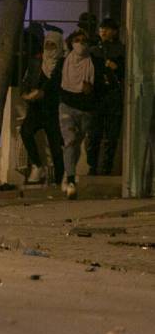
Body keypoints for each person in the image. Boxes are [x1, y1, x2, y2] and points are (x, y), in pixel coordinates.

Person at [20, 31, 65, 185]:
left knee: (55, 144)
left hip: (53, 109)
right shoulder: (36, 62)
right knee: (25, 131)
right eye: (48, 45)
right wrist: (26, 93)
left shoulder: (62, 63)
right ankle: (37, 165)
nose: (50, 48)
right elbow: (26, 80)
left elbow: (56, 83)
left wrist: (42, 92)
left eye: (53, 45)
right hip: (37, 108)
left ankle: (60, 178)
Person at [58, 29, 97, 200]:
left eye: (84, 40)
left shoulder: (93, 62)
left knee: (77, 144)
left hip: (85, 109)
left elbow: (101, 87)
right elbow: (54, 83)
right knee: (70, 141)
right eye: (77, 40)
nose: (80, 44)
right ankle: (71, 181)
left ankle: (68, 172)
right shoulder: (64, 63)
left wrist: (91, 91)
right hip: (67, 106)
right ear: (71, 42)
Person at [88, 18, 125, 175]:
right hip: (98, 96)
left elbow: (125, 72)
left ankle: (106, 168)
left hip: (113, 95)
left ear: (114, 31)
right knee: (94, 134)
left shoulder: (121, 50)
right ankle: (93, 166)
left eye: (107, 28)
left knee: (111, 135)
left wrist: (116, 68)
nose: (103, 31)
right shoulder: (94, 51)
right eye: (102, 28)